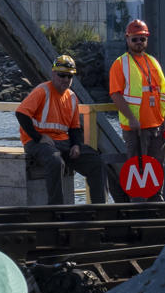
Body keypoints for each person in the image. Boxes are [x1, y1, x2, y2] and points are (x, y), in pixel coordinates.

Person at [15, 54, 105, 205]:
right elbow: (21, 114)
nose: (65, 79)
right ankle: (56, 208)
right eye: (61, 75)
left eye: (69, 76)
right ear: (53, 74)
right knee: (55, 161)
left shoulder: (72, 97)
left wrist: (76, 145)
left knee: (96, 161)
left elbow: (75, 127)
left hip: (64, 143)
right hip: (37, 143)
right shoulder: (42, 91)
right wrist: (38, 137)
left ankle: (99, 208)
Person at [107, 18, 165, 202]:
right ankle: (137, 206)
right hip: (136, 129)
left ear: (147, 40)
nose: (139, 42)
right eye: (135, 39)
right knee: (137, 170)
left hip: (157, 125)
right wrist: (132, 119)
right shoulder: (121, 64)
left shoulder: (153, 62)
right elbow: (115, 94)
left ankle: (157, 204)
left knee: (157, 168)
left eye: (142, 38)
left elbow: (163, 95)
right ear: (127, 39)